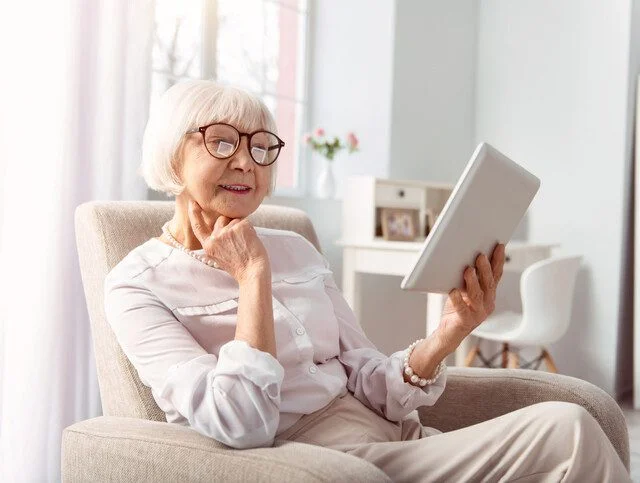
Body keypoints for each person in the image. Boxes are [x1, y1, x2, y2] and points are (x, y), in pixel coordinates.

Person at [104, 79, 630, 482]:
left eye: (261, 145)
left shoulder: (297, 249)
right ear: (171, 154)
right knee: (569, 429)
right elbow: (243, 423)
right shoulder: (137, 285)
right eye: (220, 142)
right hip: (327, 462)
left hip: (399, 437)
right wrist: (252, 277)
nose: (246, 161)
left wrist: (451, 330)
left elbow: (369, 377)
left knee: (574, 427)